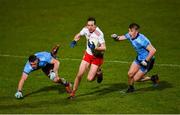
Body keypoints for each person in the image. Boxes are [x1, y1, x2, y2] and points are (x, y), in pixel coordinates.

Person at [111, 23, 159, 93]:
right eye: (129, 31)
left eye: (131, 31)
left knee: (136, 79)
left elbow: (153, 50)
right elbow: (120, 38)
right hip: (139, 58)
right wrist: (116, 37)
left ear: (136, 31)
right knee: (130, 74)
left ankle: (153, 78)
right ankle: (131, 88)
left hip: (148, 61)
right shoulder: (130, 35)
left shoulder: (142, 40)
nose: (129, 33)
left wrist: (146, 61)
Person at [69, 17, 106, 98]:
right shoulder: (85, 29)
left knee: (90, 79)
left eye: (91, 25)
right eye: (88, 25)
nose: (89, 27)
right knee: (79, 74)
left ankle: (99, 73)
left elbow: (104, 48)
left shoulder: (99, 34)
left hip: (97, 57)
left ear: (95, 25)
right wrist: (74, 40)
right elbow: (78, 35)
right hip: (88, 55)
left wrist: (95, 48)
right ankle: (72, 93)